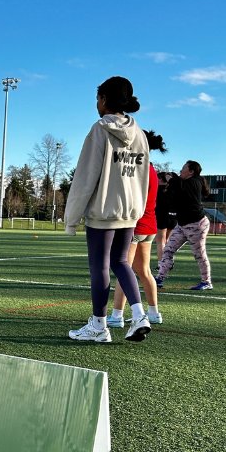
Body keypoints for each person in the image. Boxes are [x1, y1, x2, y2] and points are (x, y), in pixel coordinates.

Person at [65, 75, 151, 344]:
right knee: (121, 262)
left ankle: (99, 326)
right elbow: (143, 178)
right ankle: (139, 315)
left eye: (98, 99)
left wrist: (71, 218)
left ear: (103, 99)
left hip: (103, 211)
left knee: (100, 266)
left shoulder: (100, 129)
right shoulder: (139, 134)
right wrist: (138, 208)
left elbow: (85, 176)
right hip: (129, 211)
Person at [108, 130, 166, 328]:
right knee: (144, 270)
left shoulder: (139, 169)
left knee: (124, 269)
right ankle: (154, 313)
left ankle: (116, 316)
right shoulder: (151, 169)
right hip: (150, 225)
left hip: (136, 225)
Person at [154, 161, 212, 290]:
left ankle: (206, 282)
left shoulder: (194, 182)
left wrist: (171, 178)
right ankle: (159, 278)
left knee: (200, 254)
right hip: (182, 225)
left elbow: (181, 187)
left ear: (191, 171)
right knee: (168, 250)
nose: (180, 171)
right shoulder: (182, 183)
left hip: (196, 225)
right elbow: (175, 194)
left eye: (183, 168)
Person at [154, 166, 177, 271]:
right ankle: (169, 262)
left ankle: (161, 264)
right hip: (173, 217)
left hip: (162, 216)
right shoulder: (173, 189)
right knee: (167, 241)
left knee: (160, 241)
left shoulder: (158, 190)